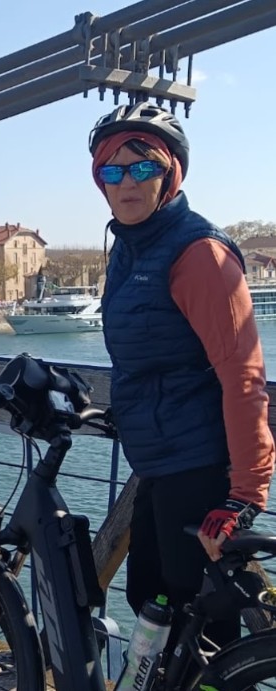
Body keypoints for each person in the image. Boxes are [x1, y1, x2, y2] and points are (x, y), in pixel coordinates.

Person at [90, 102, 274, 646]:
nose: (127, 182)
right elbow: (150, 359)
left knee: (200, 624)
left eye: (143, 167)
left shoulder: (199, 254)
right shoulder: (129, 248)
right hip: (160, 461)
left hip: (200, 466)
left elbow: (243, 373)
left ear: (170, 173)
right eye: (113, 170)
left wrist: (245, 495)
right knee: (152, 600)